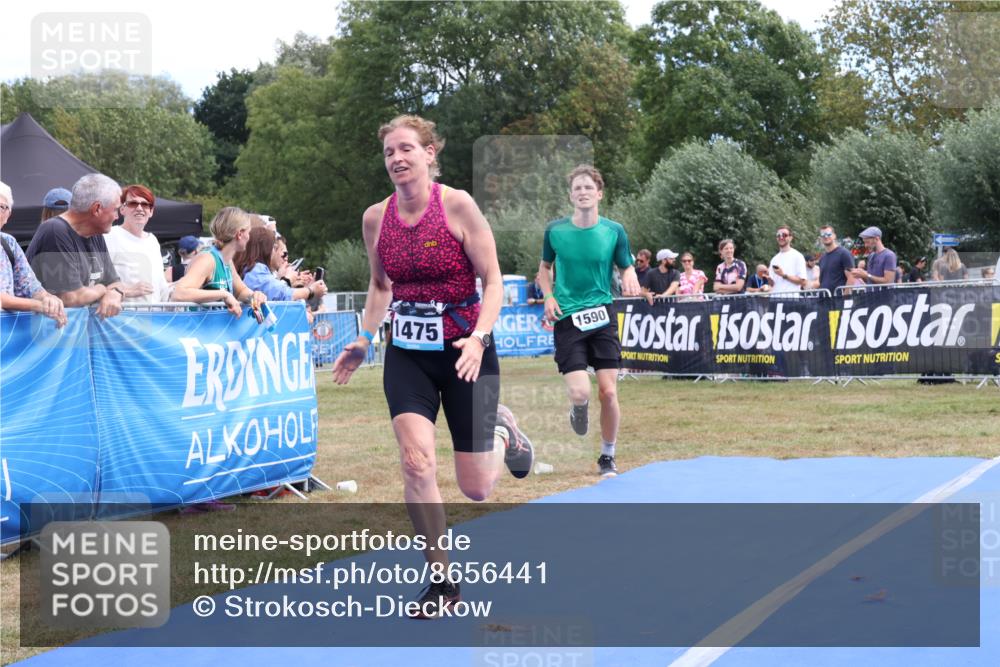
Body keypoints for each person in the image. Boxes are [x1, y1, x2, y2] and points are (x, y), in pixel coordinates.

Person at [331, 115, 533, 619]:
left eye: (406, 149)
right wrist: (362, 338)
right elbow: (380, 288)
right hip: (408, 355)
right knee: (417, 463)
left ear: (428, 154)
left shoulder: (457, 205)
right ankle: (442, 582)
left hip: (467, 350)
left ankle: (504, 431)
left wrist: (479, 339)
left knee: (477, 487)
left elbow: (493, 282)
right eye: (388, 153)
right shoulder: (376, 218)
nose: (396, 159)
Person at [536, 164, 641, 478]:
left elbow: (626, 265)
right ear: (571, 196)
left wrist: (631, 276)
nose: (583, 192)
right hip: (568, 318)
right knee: (581, 392)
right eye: (577, 188)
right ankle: (578, 408)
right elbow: (543, 268)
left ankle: (607, 455)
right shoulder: (555, 231)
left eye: (588, 187)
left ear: (599, 193)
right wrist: (548, 296)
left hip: (602, 315)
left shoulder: (614, 231)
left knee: (608, 392)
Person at [26, 173, 126, 319]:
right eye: (115, 209)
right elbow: (71, 298)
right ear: (97, 208)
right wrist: (102, 289)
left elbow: (115, 282)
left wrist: (115, 294)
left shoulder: (96, 233)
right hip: (44, 335)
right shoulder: (55, 230)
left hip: (73, 333)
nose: (117, 216)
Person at [172, 207, 268, 318]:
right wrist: (224, 295)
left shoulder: (226, 260)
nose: (249, 237)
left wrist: (254, 296)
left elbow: (240, 291)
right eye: (248, 232)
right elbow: (179, 294)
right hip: (198, 331)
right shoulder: (207, 259)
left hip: (214, 332)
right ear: (240, 234)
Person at [0, 181, 67, 326]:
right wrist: (38, 305)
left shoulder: (9, 243)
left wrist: (48, 299)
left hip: (8, 340)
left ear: (8, 215)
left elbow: (30, 286)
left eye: (0, 207)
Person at [104, 184, 172, 303]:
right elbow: (94, 282)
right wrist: (128, 291)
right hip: (120, 319)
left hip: (151, 318)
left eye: (145, 204)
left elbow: (161, 285)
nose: (139, 208)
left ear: (151, 211)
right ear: (122, 209)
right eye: (133, 204)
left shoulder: (153, 241)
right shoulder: (110, 236)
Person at [235, 226, 328, 303]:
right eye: (273, 247)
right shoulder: (255, 269)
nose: (274, 252)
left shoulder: (252, 269)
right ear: (264, 249)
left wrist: (307, 288)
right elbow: (281, 295)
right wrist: (311, 291)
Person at [768, 226, 808, 294]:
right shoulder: (774, 259)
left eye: (784, 235)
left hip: (791, 298)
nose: (781, 237)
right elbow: (772, 284)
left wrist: (783, 275)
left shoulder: (798, 256)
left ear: (790, 238)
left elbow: (803, 282)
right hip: (775, 298)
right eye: (778, 235)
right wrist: (768, 278)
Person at [817, 226, 854, 293]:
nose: (826, 237)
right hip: (824, 298)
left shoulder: (844, 253)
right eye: (823, 235)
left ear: (834, 236)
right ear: (820, 238)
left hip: (839, 299)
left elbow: (851, 277)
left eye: (828, 234)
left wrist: (846, 297)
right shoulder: (822, 258)